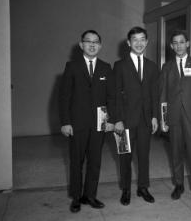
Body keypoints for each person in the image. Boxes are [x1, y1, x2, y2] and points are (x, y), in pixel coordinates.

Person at [59, 30, 115, 213]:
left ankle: (90, 195)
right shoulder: (72, 66)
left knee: (95, 161)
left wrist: (112, 120)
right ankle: (76, 197)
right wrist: (65, 122)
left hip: (99, 124)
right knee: (76, 161)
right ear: (81, 44)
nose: (92, 45)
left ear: (100, 45)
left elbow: (111, 97)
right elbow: (64, 97)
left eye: (96, 42)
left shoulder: (106, 67)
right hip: (77, 124)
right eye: (88, 41)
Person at [159, 30, 191, 204]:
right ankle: (178, 184)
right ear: (171, 46)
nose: (178, 45)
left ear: (188, 44)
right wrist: (164, 119)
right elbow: (162, 95)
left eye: (182, 42)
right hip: (173, 117)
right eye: (175, 43)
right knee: (176, 152)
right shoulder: (167, 67)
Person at [114, 26, 159, 206]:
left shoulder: (152, 66)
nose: (139, 43)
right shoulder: (119, 66)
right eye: (135, 40)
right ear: (128, 43)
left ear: (146, 42)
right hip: (124, 120)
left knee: (144, 155)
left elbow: (155, 94)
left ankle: (143, 187)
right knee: (125, 155)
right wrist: (116, 119)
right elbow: (114, 95)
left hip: (145, 120)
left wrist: (155, 116)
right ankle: (126, 189)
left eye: (142, 39)